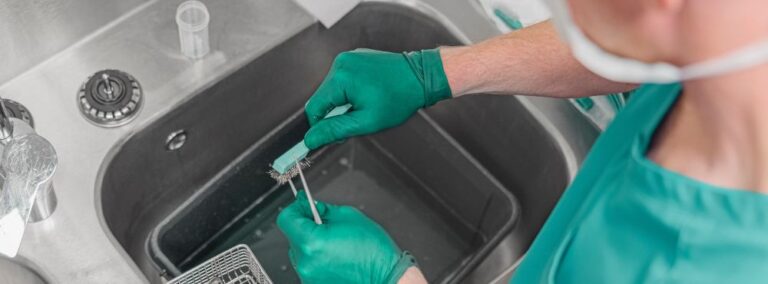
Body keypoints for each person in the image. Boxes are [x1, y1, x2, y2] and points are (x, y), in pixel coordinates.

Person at [277, 0, 768, 282]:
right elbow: (637, 38)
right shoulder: (733, 45)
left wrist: (388, 280)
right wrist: (434, 73)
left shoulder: (695, 265)